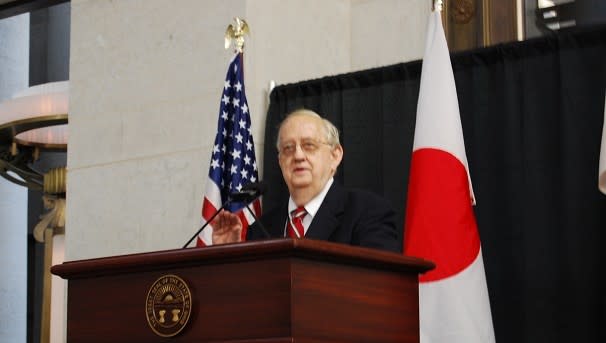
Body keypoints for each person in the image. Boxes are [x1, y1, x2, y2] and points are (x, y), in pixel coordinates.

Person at [211, 109, 399, 252]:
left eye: (309, 146)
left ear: (335, 155)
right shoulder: (261, 229)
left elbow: (380, 287)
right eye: (288, 148)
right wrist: (229, 253)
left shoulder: (367, 212)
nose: (298, 155)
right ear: (280, 162)